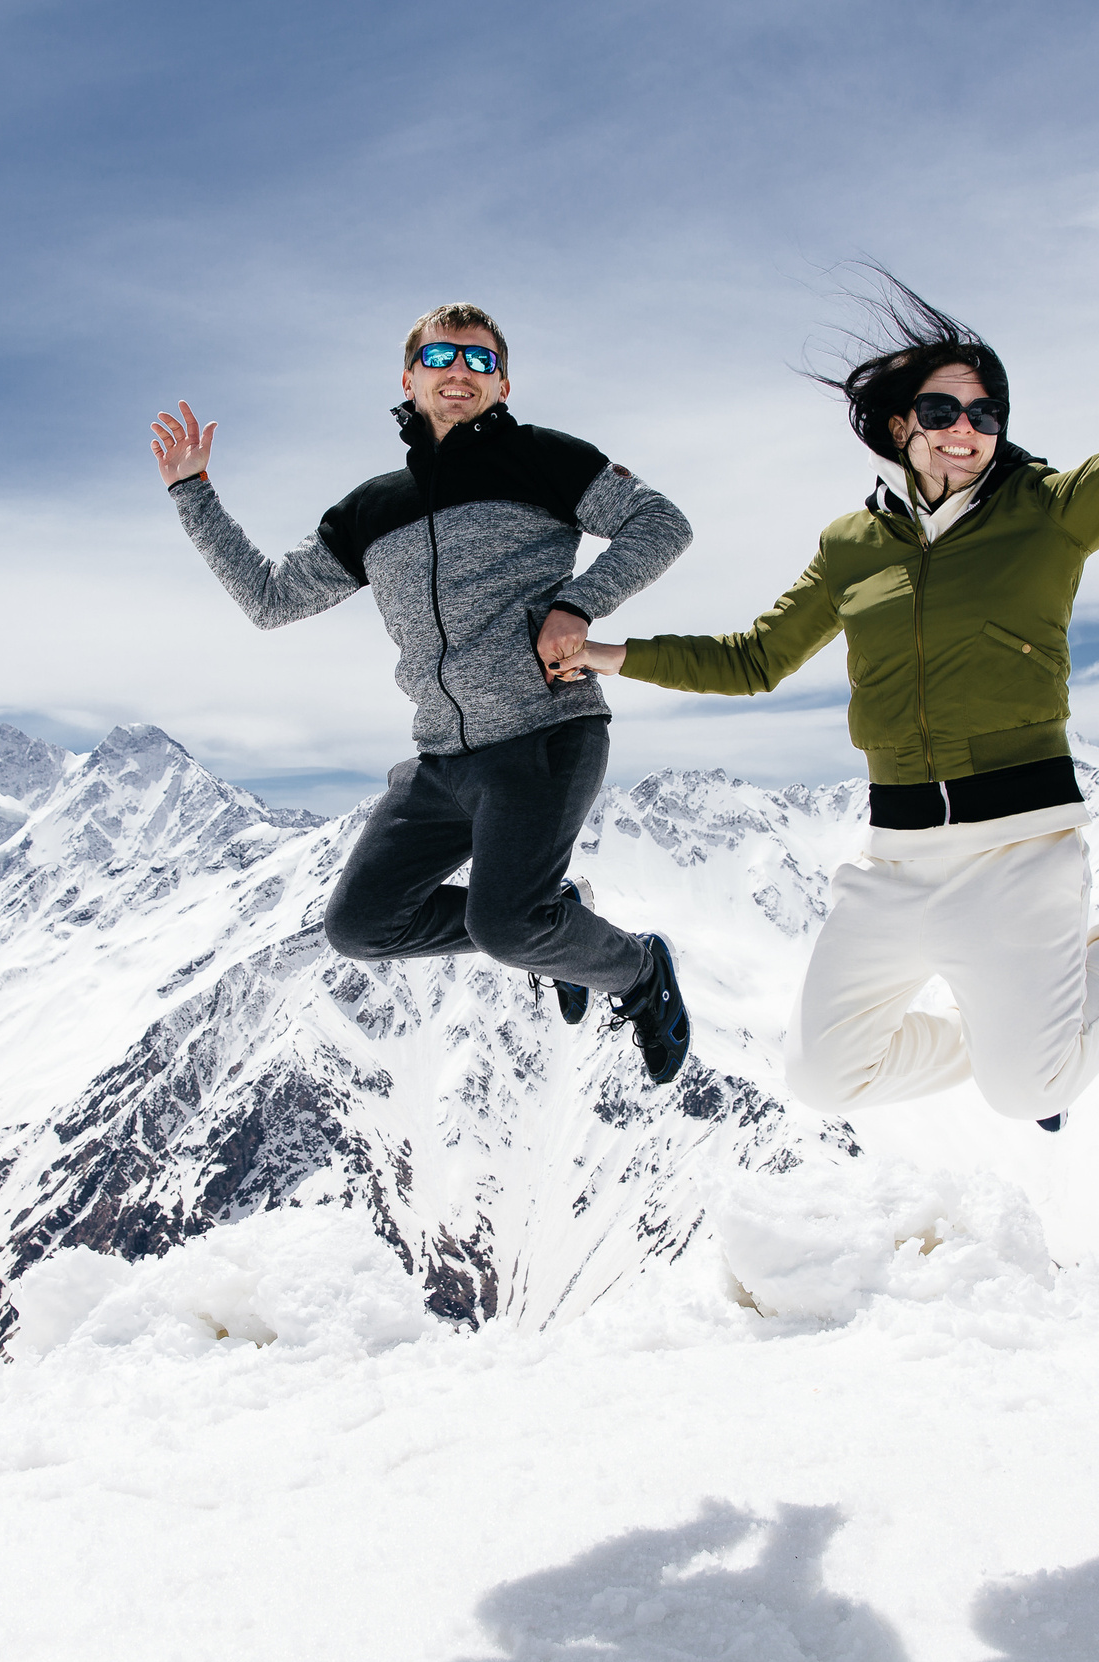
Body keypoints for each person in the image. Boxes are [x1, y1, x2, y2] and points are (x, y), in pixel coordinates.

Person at [563, 196, 1099, 1126]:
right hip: (894, 859)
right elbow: (754, 659)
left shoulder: (1051, 512)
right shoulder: (851, 545)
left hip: (1020, 851)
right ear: (899, 424)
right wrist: (608, 654)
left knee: (1030, 1092)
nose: (967, 426)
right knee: (825, 1077)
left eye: (986, 411)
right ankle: (1028, 1037)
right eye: (942, 407)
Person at [150, 303, 697, 1085]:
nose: (459, 372)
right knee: (360, 926)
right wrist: (192, 492)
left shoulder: (547, 460)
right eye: (441, 357)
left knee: (507, 924)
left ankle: (638, 972)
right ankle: (552, 921)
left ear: (503, 384)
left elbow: (660, 522)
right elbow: (269, 600)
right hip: (441, 760)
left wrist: (578, 603)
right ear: (409, 379)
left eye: (480, 360)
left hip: (544, 734)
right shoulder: (369, 510)